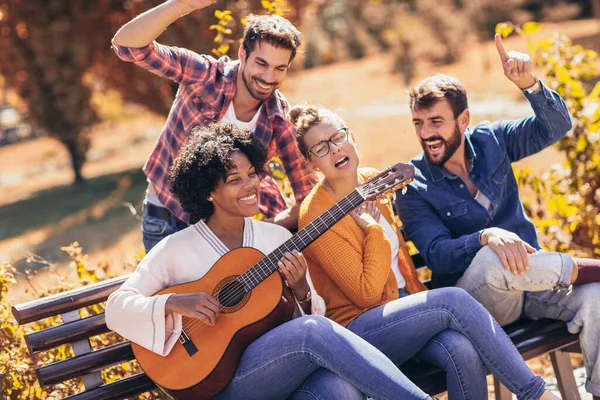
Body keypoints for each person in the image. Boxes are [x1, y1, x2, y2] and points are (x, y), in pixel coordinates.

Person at [106, 122, 448, 400]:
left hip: (282, 373)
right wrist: (175, 302)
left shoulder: (275, 240)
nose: (250, 185)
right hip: (217, 382)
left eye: (253, 174)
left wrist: (300, 289)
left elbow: (317, 320)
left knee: (340, 391)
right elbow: (116, 307)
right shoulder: (174, 249)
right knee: (309, 332)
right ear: (207, 192)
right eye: (234, 180)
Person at [293, 104, 560, 400]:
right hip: (358, 329)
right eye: (320, 147)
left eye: (338, 137)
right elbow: (366, 295)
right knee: (453, 300)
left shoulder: (372, 181)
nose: (334, 150)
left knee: (462, 350)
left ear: (352, 138)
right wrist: (372, 229)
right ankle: (535, 394)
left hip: (405, 309)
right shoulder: (316, 214)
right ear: (309, 164)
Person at [396, 34, 600, 398]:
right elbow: (437, 253)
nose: (427, 134)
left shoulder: (493, 140)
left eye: (436, 122)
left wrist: (530, 86)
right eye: (419, 123)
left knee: (596, 297)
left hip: (533, 286)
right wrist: (484, 237)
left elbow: (555, 127)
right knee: (492, 256)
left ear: (464, 119)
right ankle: (584, 265)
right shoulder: (415, 186)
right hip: (478, 305)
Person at [112, 0, 313, 251]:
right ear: (242, 54)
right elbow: (128, 47)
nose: (269, 78)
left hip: (223, 232)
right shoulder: (205, 75)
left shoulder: (277, 118)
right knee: (169, 292)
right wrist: (181, 4)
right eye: (261, 64)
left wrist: (266, 229)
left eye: (279, 68)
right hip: (168, 218)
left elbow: (308, 197)